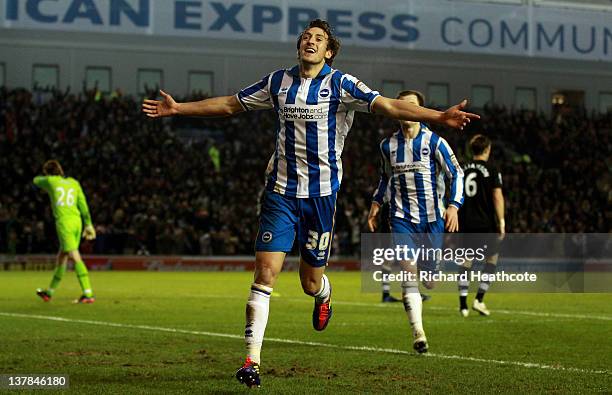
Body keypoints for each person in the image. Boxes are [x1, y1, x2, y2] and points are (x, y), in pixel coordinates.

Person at [142, 19, 478, 387]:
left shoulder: (341, 84)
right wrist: (179, 109)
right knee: (265, 273)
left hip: (320, 198)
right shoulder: (277, 82)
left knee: (308, 281)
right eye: (306, 36)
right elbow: (229, 104)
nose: (310, 41)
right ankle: (251, 361)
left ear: (329, 51)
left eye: (318, 38)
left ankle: (324, 293)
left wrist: (439, 116)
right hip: (280, 193)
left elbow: (389, 107)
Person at [367, 90, 464, 353]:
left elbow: (457, 174)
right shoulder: (387, 146)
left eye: (412, 106)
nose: (406, 110)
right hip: (401, 219)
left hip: (433, 219)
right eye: (402, 106)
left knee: (430, 281)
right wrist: (376, 205)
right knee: (408, 272)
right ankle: (418, 333)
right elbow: (385, 179)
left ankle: (431, 267)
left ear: (420, 111)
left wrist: (454, 207)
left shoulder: (435, 143)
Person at [33, 160, 96, 304]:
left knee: (74, 255)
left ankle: (88, 293)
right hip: (77, 221)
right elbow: (83, 205)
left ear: (48, 172)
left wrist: (47, 178)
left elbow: (35, 180)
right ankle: (49, 293)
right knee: (62, 256)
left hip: (64, 223)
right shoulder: (74, 183)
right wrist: (89, 225)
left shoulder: (51, 181)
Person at [457, 135, 505, 317]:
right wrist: (501, 221)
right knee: (492, 259)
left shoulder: (463, 169)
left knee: (466, 261)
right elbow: (497, 196)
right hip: (486, 223)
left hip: (466, 221)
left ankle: (463, 305)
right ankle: (479, 299)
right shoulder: (492, 169)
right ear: (487, 150)